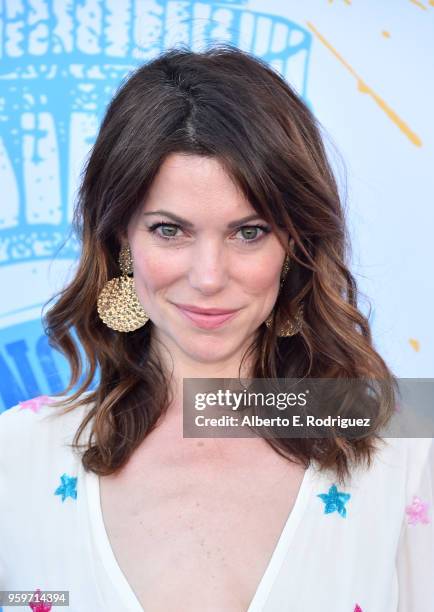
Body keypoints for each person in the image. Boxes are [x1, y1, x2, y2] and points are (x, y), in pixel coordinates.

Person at [0, 43, 432, 612]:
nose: (209, 277)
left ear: (295, 248)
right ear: (121, 241)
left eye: (248, 232)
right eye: (170, 230)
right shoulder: (18, 457)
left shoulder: (399, 453)